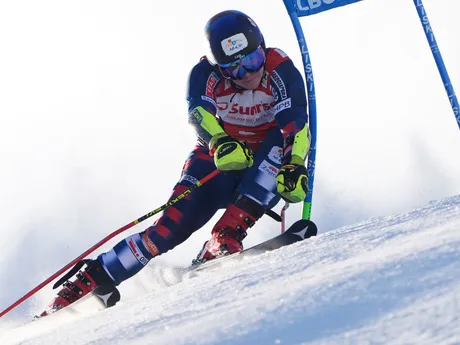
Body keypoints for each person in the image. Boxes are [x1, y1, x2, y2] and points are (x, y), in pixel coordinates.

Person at [40, 10, 310, 316]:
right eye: (233, 69)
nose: (247, 73)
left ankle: (224, 237)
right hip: (220, 160)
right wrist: (220, 141)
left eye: (252, 60)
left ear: (263, 48)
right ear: (220, 67)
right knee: (169, 229)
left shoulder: (279, 69)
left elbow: (296, 122)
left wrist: (295, 163)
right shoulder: (204, 74)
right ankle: (90, 281)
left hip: (263, 162)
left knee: (276, 148)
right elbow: (199, 113)